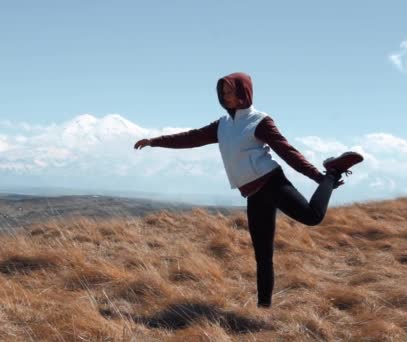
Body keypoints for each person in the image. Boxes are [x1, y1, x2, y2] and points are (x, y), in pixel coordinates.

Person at [133, 72, 363, 308]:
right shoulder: (222, 125)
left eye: (230, 91)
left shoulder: (259, 121)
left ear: (244, 92)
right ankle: (264, 309)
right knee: (263, 256)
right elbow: (191, 138)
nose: (226, 96)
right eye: (223, 92)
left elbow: (287, 152)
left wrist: (318, 176)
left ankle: (332, 171)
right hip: (253, 193)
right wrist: (155, 141)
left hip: (272, 183)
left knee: (313, 217)